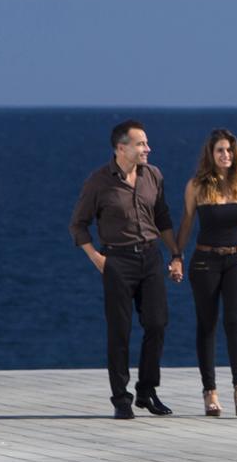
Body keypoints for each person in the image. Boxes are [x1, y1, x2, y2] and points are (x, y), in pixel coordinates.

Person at [68, 119, 183, 419]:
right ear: (121, 148)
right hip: (117, 261)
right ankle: (121, 398)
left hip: (151, 257)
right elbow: (78, 225)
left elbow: (163, 218)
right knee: (119, 331)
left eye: (146, 143)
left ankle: (147, 391)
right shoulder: (98, 182)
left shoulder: (153, 175)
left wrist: (176, 255)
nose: (148, 148)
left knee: (157, 324)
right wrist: (97, 258)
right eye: (141, 144)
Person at [175, 128, 237, 417]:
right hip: (205, 262)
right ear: (210, 154)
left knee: (236, 322)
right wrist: (176, 256)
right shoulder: (196, 186)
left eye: (229, 150)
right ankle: (210, 392)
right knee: (207, 324)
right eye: (220, 150)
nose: (226, 155)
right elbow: (186, 223)